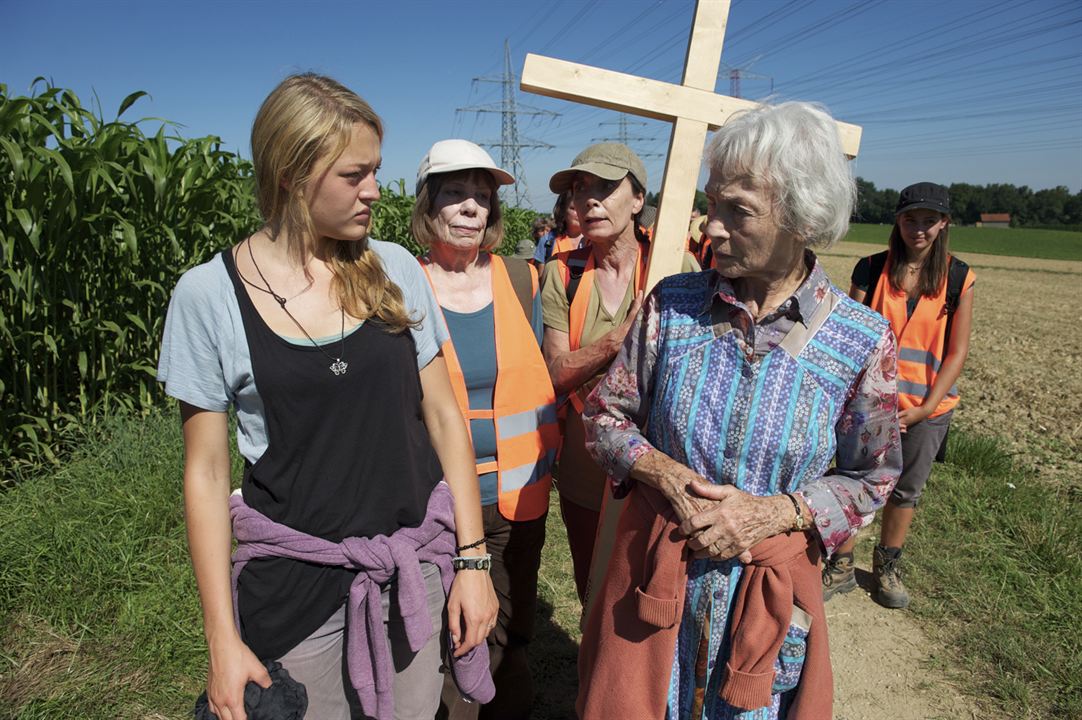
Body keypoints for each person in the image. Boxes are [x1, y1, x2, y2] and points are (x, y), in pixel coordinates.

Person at [157, 74, 498, 720]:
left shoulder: (396, 269)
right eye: (355, 174)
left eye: (375, 169)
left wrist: (472, 562)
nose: (375, 189)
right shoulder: (207, 298)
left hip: (409, 577)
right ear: (290, 173)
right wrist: (221, 638)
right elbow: (204, 474)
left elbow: (445, 418)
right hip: (292, 592)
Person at [576, 102, 902, 719]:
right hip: (654, 588)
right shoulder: (673, 306)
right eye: (712, 203)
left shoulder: (860, 339)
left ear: (800, 217)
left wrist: (773, 512)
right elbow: (604, 416)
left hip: (764, 610)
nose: (712, 229)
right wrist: (665, 474)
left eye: (738, 211)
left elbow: (876, 474)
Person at [411, 139, 559, 719]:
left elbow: (554, 371)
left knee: (510, 633)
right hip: (435, 501)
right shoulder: (401, 285)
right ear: (430, 205)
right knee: (447, 635)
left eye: (483, 195)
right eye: (455, 193)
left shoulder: (523, 280)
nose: (472, 206)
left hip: (519, 497)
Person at [540, 142, 699, 603]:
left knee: (654, 581)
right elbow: (553, 373)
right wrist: (618, 340)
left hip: (659, 454)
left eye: (606, 187)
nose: (590, 199)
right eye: (581, 187)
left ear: (637, 201)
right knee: (592, 581)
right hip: (584, 458)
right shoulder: (562, 275)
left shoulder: (675, 268)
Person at [822, 182, 975, 609]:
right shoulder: (870, 269)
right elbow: (849, 337)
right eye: (911, 219)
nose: (919, 229)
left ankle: (887, 566)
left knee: (906, 491)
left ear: (944, 223)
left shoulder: (959, 277)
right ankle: (842, 563)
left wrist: (926, 408)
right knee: (851, 480)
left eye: (930, 220)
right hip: (869, 406)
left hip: (927, 409)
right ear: (898, 221)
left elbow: (957, 351)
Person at [530, 189, 583, 268]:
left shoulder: (596, 241)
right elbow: (542, 276)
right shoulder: (547, 241)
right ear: (563, 210)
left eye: (582, 207)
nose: (579, 212)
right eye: (573, 208)